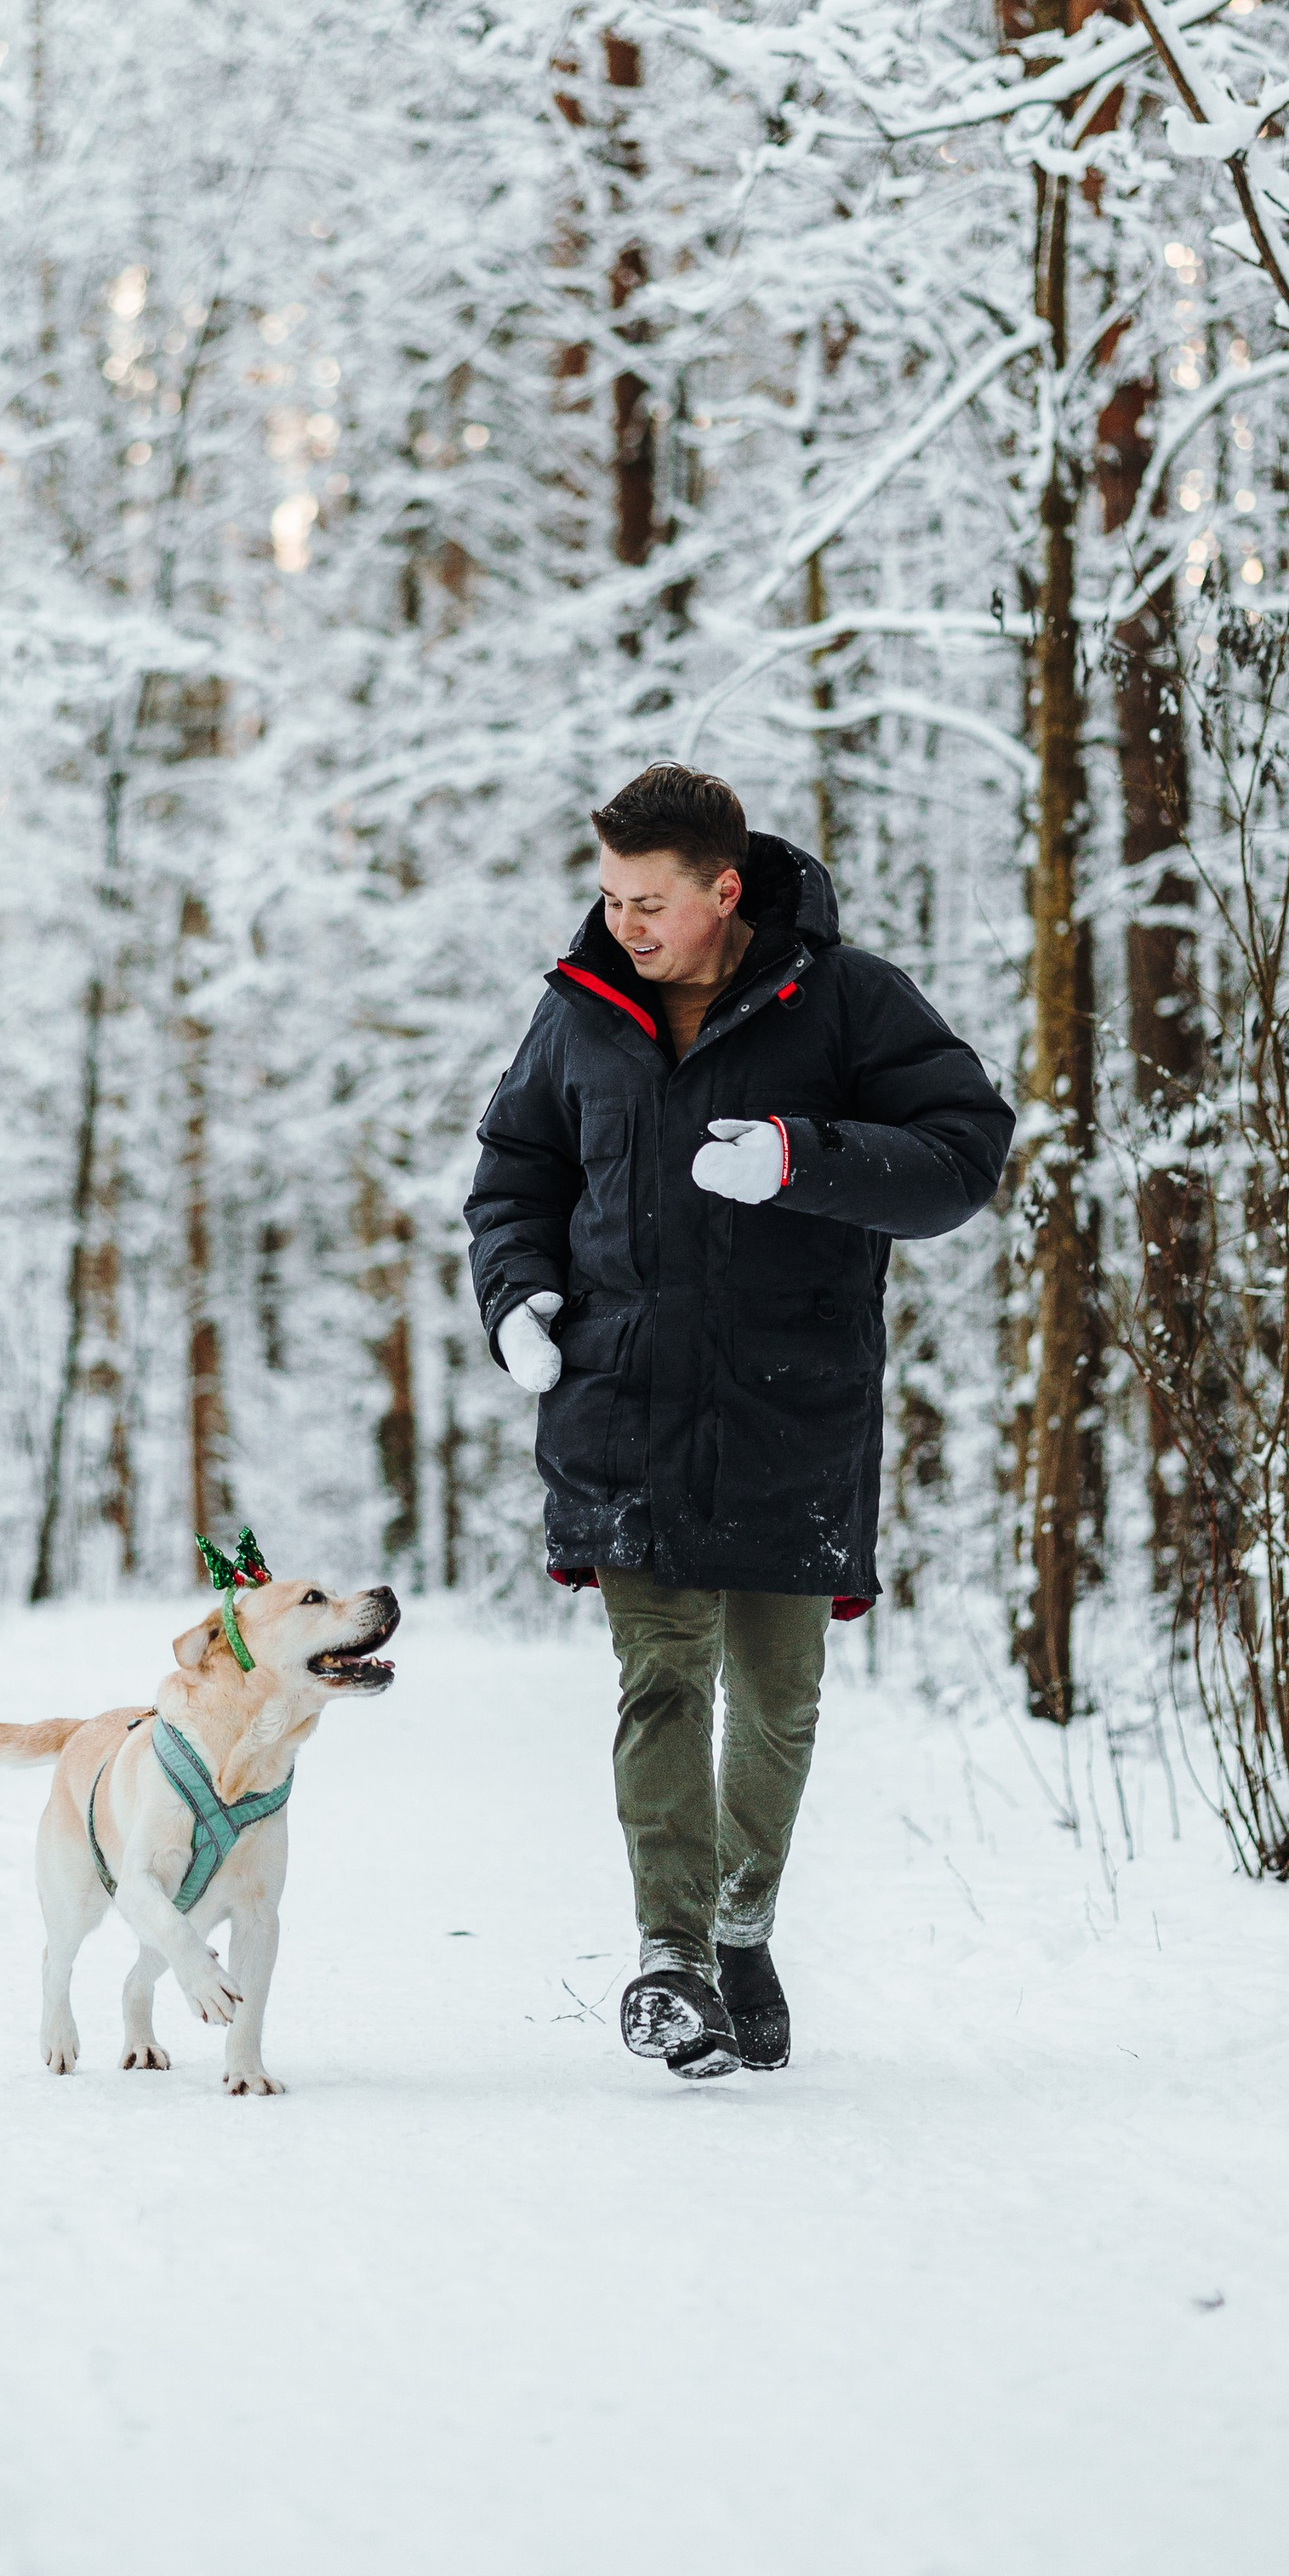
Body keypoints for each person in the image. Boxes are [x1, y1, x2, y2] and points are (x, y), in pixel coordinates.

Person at [465, 764, 1012, 2078]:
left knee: (775, 1698)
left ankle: (739, 1924)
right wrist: (518, 1299)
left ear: (725, 888)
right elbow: (516, 1169)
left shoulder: (849, 1000)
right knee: (661, 1677)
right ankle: (673, 1961)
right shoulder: (581, 1012)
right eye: (609, 896)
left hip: (792, 1407)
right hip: (621, 1400)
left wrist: (800, 1159)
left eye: (650, 901)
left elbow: (962, 1156)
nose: (626, 924)